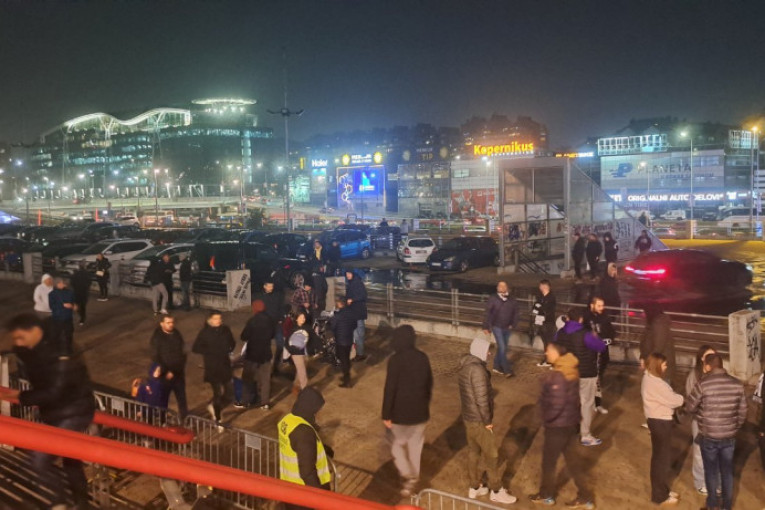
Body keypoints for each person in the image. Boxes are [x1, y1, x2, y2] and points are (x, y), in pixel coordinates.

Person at [6, 313, 95, 510]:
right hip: (61, 411)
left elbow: (55, 390)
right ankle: (81, 504)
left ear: (35, 331)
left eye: (21, 337)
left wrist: (22, 397)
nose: (18, 343)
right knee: (71, 461)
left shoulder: (60, 350)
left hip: (73, 411)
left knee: (40, 459)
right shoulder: (35, 349)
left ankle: (58, 503)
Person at [529, 343, 594, 508]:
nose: (546, 353)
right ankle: (585, 497)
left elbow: (556, 405)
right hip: (570, 424)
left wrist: (546, 420)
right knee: (573, 462)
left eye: (549, 350)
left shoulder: (557, 376)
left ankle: (547, 495)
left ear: (558, 353)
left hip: (557, 428)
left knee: (549, 463)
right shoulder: (571, 370)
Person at [458, 337, 517, 504]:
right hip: (479, 421)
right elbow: (482, 399)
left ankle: (474, 487)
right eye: (487, 351)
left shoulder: (465, 367)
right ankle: (496, 490)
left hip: (469, 419)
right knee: (492, 456)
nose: (489, 354)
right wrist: (487, 422)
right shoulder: (477, 371)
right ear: (479, 351)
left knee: (473, 452)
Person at [685, 353, 747, 510]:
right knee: (727, 472)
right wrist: (734, 427)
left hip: (709, 437)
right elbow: (743, 412)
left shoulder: (702, 384)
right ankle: (727, 506)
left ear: (707, 366)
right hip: (729, 437)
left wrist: (702, 418)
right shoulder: (737, 384)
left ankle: (712, 505)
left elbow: (690, 407)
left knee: (711, 471)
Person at [381, 325, 433, 497]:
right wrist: (425, 403)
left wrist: (386, 414)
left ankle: (406, 474)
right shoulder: (423, 357)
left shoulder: (395, 360)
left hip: (400, 415)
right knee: (415, 448)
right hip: (420, 413)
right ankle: (414, 480)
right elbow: (429, 384)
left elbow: (390, 389)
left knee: (396, 445)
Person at [555, 308, 607, 447]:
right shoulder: (586, 334)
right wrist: (596, 337)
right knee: (586, 403)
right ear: (581, 319)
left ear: (567, 318)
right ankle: (585, 435)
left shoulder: (560, 333)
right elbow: (601, 347)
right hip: (585, 373)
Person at [278, 387, 332, 510]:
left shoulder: (288, 420)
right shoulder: (304, 432)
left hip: (289, 489)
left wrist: (322, 449)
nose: (318, 413)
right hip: (304, 496)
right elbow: (307, 471)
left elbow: (297, 447)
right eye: (317, 410)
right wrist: (319, 498)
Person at [641, 352, 684, 506]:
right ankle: (659, 496)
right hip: (660, 423)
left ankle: (662, 490)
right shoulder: (656, 384)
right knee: (661, 461)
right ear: (658, 366)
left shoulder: (649, 378)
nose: (666, 367)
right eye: (664, 364)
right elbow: (674, 400)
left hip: (655, 420)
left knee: (659, 458)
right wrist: (682, 398)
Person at [192, 310, 236, 427]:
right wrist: (210, 351)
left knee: (229, 391)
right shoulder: (205, 332)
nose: (218, 321)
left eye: (220, 318)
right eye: (216, 319)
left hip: (225, 365)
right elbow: (195, 348)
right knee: (217, 393)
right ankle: (218, 418)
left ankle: (213, 405)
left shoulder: (225, 330)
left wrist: (229, 348)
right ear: (210, 320)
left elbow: (232, 342)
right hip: (213, 367)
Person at [684, 344, 717, 495]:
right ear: (701, 359)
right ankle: (701, 482)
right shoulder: (694, 376)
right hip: (699, 420)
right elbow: (691, 399)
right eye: (707, 356)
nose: (711, 359)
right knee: (699, 452)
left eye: (713, 355)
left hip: (715, 421)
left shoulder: (718, 374)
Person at [149, 315, 188, 419]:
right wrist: (165, 370)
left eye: (172, 322)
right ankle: (162, 420)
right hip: (165, 375)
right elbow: (155, 357)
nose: (171, 325)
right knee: (163, 399)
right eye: (168, 323)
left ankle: (184, 419)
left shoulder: (177, 334)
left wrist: (175, 370)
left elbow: (182, 354)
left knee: (182, 398)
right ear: (162, 324)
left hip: (178, 373)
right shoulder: (157, 338)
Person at [240, 300, 275, 409]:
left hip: (253, 354)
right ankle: (265, 403)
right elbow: (273, 335)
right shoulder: (270, 320)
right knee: (265, 379)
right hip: (266, 354)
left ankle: (247, 400)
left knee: (248, 378)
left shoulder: (252, 321)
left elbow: (244, 336)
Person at [584, 296, 616, 415]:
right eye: (599, 305)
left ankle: (597, 404)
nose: (601, 308)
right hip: (590, 355)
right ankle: (589, 403)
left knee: (598, 380)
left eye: (602, 305)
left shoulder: (604, 316)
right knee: (589, 381)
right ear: (592, 305)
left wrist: (610, 339)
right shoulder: (586, 317)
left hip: (602, 354)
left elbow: (611, 331)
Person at [482, 281, 519, 377]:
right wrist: (485, 326)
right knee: (502, 347)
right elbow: (487, 312)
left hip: (507, 327)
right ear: (497, 288)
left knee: (503, 347)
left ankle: (496, 366)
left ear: (507, 288)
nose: (501, 287)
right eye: (499, 286)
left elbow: (516, 313)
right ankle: (507, 369)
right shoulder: (493, 298)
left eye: (503, 286)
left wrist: (513, 324)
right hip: (496, 326)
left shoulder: (512, 299)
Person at [254, 279, 285, 376]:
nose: (271, 288)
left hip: (276, 324)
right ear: (264, 286)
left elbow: (281, 308)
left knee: (280, 345)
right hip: (266, 326)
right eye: (269, 286)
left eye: (272, 286)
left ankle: (275, 366)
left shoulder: (277, 295)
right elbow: (257, 311)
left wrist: (281, 319)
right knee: (265, 346)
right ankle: (264, 367)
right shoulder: (259, 297)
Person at [640, 305, 676, 386]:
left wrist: (647, 362)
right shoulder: (652, 323)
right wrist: (643, 357)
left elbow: (658, 347)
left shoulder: (659, 324)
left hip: (659, 365)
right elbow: (646, 341)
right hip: (655, 365)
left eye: (645, 312)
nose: (644, 314)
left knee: (662, 388)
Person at [330, 297, 357, 388]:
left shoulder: (338, 315)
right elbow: (355, 325)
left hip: (341, 341)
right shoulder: (351, 313)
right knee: (346, 358)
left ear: (340, 304)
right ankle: (346, 376)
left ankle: (347, 380)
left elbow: (333, 327)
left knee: (343, 360)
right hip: (349, 339)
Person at [532, 279, 557, 368]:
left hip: (548, 323)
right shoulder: (540, 297)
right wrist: (537, 309)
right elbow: (535, 306)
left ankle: (553, 361)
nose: (539, 287)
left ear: (545, 286)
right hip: (540, 322)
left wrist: (539, 308)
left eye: (541, 286)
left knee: (550, 343)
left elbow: (546, 310)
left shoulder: (551, 298)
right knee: (545, 342)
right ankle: (547, 359)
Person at [48, 277, 75, 356]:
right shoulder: (52, 294)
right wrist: (63, 305)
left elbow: (73, 302)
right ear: (57, 284)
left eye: (63, 282)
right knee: (57, 334)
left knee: (69, 334)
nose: (63, 284)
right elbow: (52, 306)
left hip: (67, 317)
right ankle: (57, 350)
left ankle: (69, 349)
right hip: (58, 318)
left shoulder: (69, 292)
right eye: (61, 283)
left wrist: (72, 306)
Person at [345, 269, 368, 361]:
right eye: (346, 273)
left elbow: (364, 296)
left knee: (358, 334)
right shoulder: (351, 283)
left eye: (349, 273)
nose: (347, 275)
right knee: (357, 334)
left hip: (358, 313)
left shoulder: (357, 283)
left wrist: (352, 300)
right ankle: (359, 352)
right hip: (354, 313)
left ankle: (360, 353)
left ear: (353, 274)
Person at [287, 311, 311, 391]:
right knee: (302, 371)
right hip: (296, 352)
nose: (303, 319)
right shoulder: (293, 329)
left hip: (304, 351)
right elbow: (288, 341)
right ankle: (305, 390)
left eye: (304, 318)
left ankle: (296, 384)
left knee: (301, 368)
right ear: (296, 319)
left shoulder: (306, 327)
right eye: (301, 317)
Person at [71, 261, 91, 326]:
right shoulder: (87, 273)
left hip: (77, 291)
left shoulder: (75, 274)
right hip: (84, 292)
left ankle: (81, 316)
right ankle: (82, 318)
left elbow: (72, 283)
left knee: (77, 305)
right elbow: (89, 282)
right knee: (83, 306)